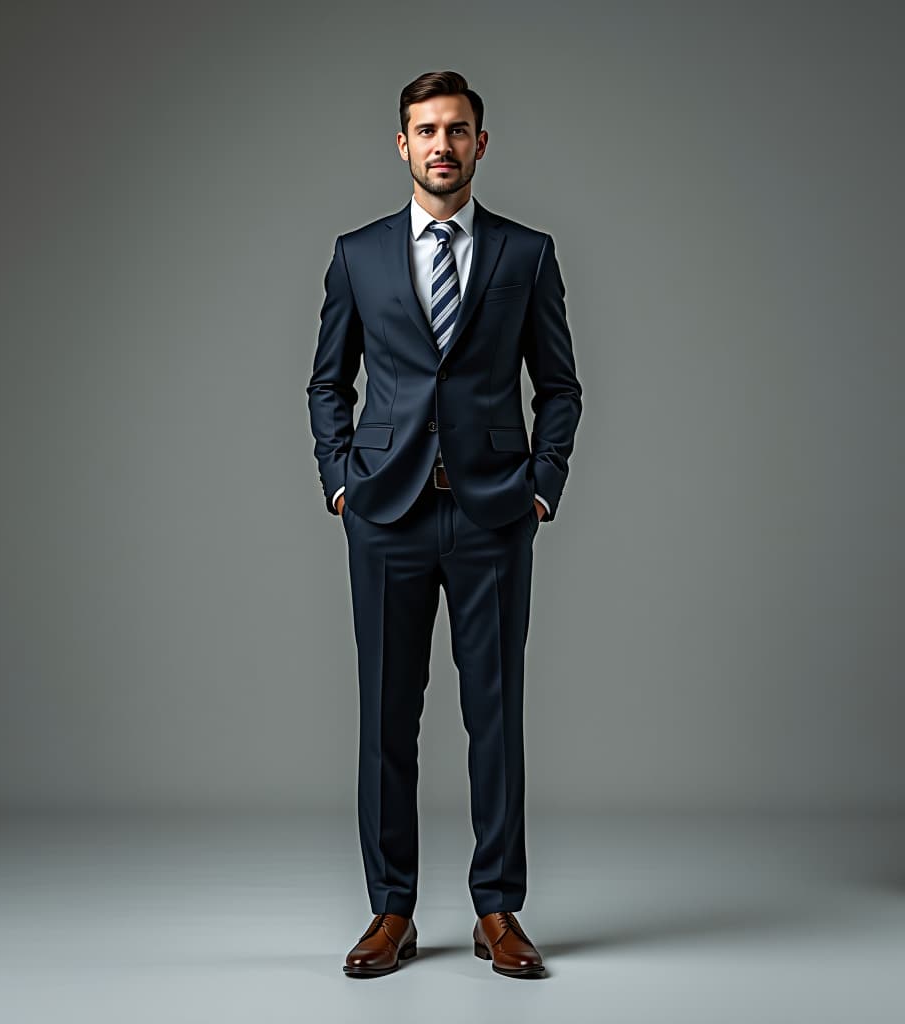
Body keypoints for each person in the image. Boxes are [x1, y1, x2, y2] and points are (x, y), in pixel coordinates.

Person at [307, 70, 582, 979]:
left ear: (480, 144)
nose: (441, 145)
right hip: (384, 514)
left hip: (493, 515)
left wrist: (542, 484)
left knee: (494, 718)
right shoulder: (359, 254)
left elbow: (561, 385)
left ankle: (498, 911)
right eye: (425, 130)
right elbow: (326, 383)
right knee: (386, 720)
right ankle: (392, 911)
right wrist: (340, 480)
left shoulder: (526, 253)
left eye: (457, 130)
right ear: (401, 145)